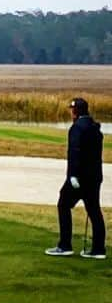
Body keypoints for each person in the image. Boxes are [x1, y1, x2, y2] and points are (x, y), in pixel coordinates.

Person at [45, 97, 105, 258]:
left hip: (79, 178)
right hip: (95, 177)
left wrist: (72, 175)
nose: (71, 112)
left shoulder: (77, 128)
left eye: (72, 109)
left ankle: (65, 245)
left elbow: (74, 153)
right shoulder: (95, 127)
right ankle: (99, 249)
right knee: (94, 210)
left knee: (63, 204)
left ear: (76, 111)